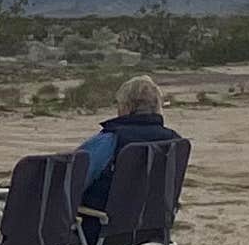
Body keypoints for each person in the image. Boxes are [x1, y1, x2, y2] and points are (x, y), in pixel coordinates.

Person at [77, 75, 184, 235]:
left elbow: (71, 181)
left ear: (126, 107)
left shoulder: (110, 140)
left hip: (104, 231)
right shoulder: (174, 141)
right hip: (153, 230)